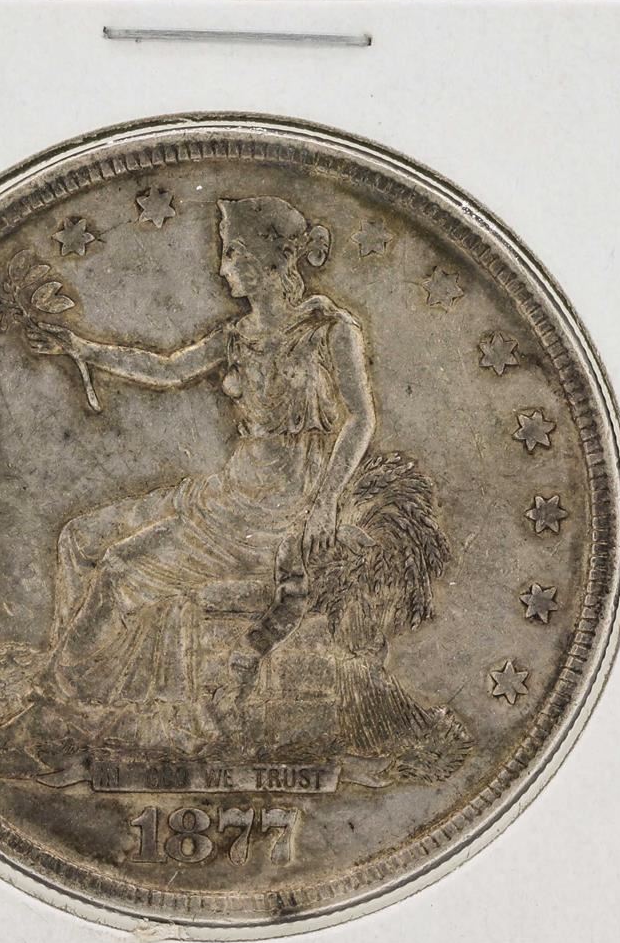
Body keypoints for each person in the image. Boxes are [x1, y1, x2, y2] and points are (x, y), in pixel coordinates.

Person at [24, 196, 376, 749]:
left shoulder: (330, 331)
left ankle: (60, 705)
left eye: (232, 253)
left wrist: (327, 500)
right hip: (224, 495)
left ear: (269, 261)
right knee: (79, 537)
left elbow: (360, 418)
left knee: (118, 569)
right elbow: (167, 370)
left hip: (272, 513)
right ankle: (99, 694)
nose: (222, 268)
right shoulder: (237, 337)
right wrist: (82, 348)